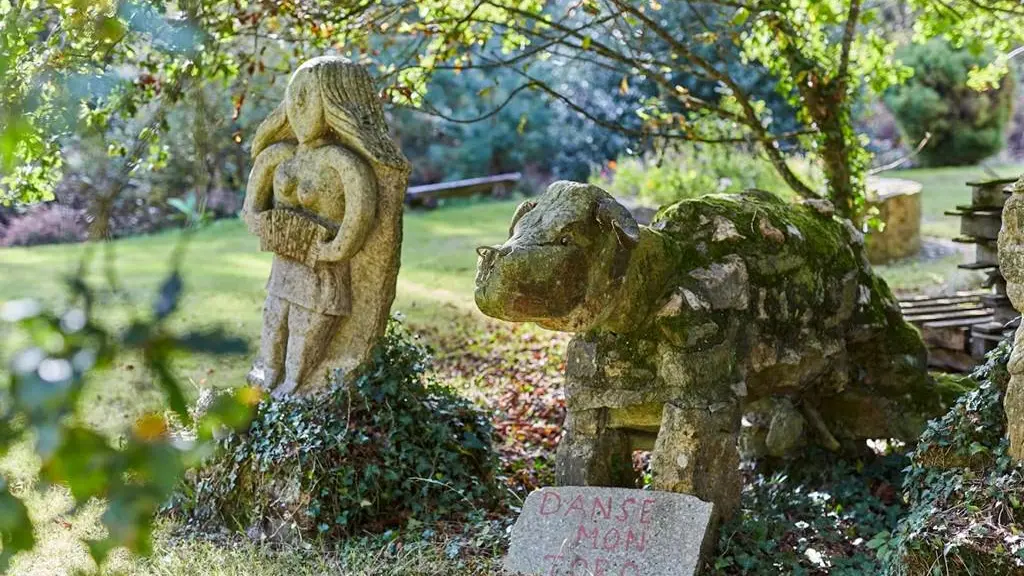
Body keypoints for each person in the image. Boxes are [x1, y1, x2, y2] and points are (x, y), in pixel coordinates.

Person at [241, 56, 406, 395]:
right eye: (294, 95)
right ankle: (267, 382)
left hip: (322, 276)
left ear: (334, 102)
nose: (299, 107)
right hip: (285, 268)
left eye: (308, 96)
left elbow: (357, 221)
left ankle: (293, 389)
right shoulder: (277, 156)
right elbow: (250, 212)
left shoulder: (342, 162)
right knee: (273, 326)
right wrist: (268, 226)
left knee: (302, 336)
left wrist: (330, 249)